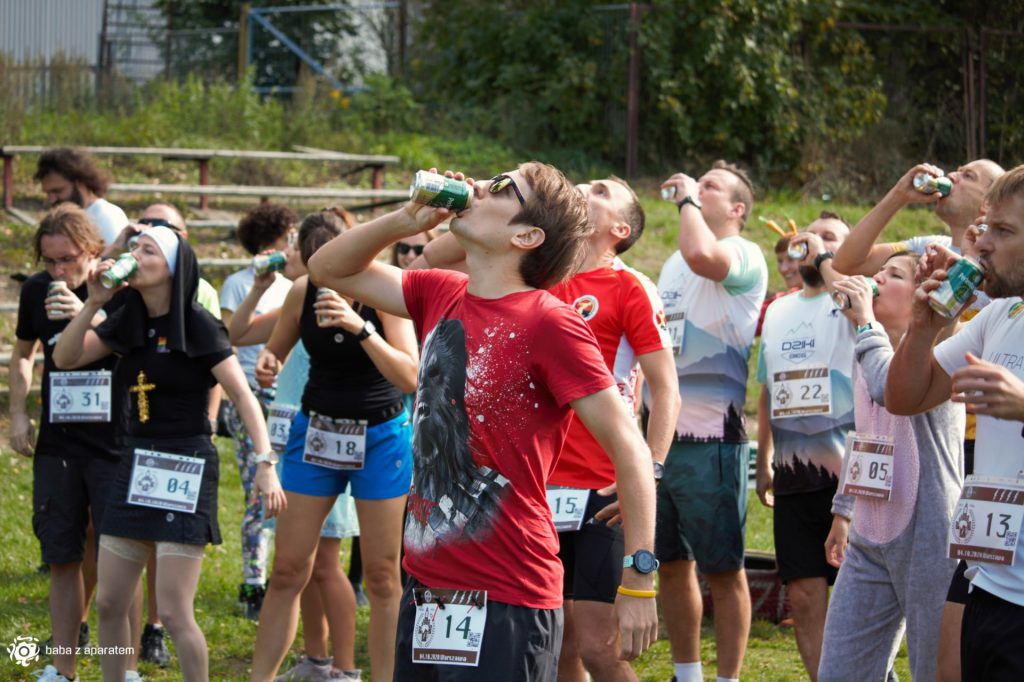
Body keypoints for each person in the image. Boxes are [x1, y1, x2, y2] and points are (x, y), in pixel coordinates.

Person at [307, 162, 659, 680]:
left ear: (526, 236)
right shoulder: (439, 292)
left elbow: (629, 446)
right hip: (427, 588)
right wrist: (405, 221)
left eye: (501, 187)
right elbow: (327, 269)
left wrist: (639, 577)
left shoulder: (551, 321)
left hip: (509, 593)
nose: (475, 187)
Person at [408, 176, 678, 682]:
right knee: (565, 645)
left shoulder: (628, 287)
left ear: (620, 229)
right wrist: (478, 200)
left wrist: (651, 471)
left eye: (602, 191)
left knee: (597, 645)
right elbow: (431, 258)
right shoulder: (532, 278)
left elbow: (666, 391)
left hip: (599, 486)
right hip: (537, 484)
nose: (587, 188)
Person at [52, 226, 286, 682]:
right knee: (109, 602)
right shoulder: (127, 316)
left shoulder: (198, 322)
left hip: (187, 464)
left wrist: (265, 462)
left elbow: (243, 395)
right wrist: (94, 304)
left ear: (173, 267)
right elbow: (65, 357)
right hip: (136, 461)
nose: (136, 256)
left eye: (148, 250)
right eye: (133, 248)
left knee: (176, 612)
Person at [832, 159, 1005, 681]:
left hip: (960, 472)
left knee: (939, 664)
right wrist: (899, 195)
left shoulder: (990, 285)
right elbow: (847, 260)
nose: (953, 174)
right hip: (879, 512)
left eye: (970, 174)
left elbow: (894, 391)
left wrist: (872, 324)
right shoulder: (929, 250)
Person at [249, 209, 418, 682]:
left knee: (382, 576)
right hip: (317, 432)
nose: (328, 277)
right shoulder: (304, 292)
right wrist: (267, 362)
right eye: (316, 266)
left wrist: (361, 328)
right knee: (288, 568)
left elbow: (410, 375)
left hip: (381, 436)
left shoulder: (384, 291)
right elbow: (275, 349)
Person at [885, 165, 1024, 681]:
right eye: (985, 227)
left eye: (1003, 231)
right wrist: (924, 328)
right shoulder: (1001, 315)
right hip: (990, 577)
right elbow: (905, 397)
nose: (981, 243)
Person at [815, 251, 964, 682]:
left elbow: (888, 388)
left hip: (928, 537)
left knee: (932, 670)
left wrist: (864, 323)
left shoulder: (939, 351)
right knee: (841, 672)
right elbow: (865, 435)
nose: (876, 279)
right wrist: (844, 511)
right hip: (870, 533)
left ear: (921, 295)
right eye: (877, 272)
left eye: (893, 274)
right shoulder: (867, 348)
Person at [228, 210, 363, 681]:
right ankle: (316, 658)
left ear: (313, 251)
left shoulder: (350, 297)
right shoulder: (298, 295)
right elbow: (238, 334)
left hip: (327, 443)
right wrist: (258, 290)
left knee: (324, 564)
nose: (284, 252)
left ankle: (345, 668)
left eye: (292, 244)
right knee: (294, 561)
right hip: (290, 439)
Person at [655, 161, 767, 682]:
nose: (699, 190)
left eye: (710, 186)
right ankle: (688, 675)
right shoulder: (672, 263)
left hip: (713, 437)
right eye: (696, 184)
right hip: (661, 438)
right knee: (671, 564)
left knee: (724, 569)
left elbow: (704, 256)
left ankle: (727, 678)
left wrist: (685, 199)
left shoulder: (744, 252)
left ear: (737, 209)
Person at [10, 205, 120, 682]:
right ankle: (63, 669)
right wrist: (18, 413)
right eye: (49, 260)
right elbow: (23, 353)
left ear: (92, 251)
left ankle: (124, 667)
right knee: (61, 556)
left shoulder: (119, 288)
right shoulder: (37, 290)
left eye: (68, 259)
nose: (58, 271)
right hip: (59, 443)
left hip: (114, 442)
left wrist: (88, 314)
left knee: (120, 557)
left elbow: (137, 352)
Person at [755, 214, 855, 681]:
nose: (813, 241)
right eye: (808, 235)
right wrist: (764, 460)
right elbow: (769, 389)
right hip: (793, 476)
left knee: (856, 596)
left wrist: (830, 259)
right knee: (804, 596)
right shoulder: (778, 310)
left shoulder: (858, 299)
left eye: (828, 236)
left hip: (851, 478)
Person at [219, 202, 297, 619]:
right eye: (287, 237)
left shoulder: (293, 285)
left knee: (288, 491)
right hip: (252, 396)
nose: (292, 244)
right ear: (269, 241)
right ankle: (253, 581)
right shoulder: (237, 284)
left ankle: (285, 572)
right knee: (257, 491)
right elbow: (229, 339)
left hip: (287, 399)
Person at [34, 147, 128, 246]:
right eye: (48, 193)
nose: (52, 200)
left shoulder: (107, 216)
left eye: (58, 191)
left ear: (80, 183)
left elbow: (117, 254)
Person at [755, 235, 803, 337]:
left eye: (791, 259)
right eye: (780, 261)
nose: (783, 268)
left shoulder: (831, 297)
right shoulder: (783, 301)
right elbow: (752, 321)